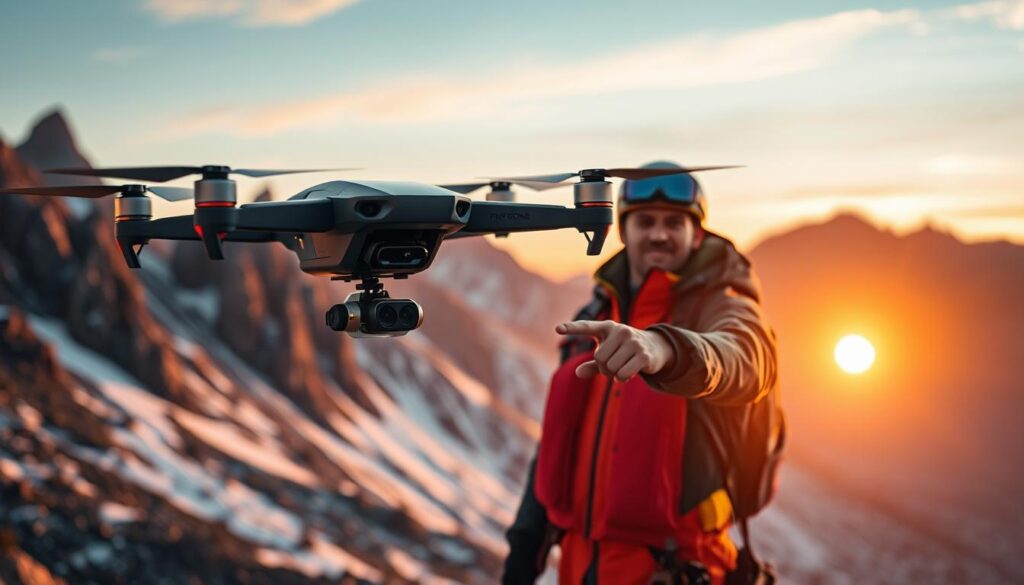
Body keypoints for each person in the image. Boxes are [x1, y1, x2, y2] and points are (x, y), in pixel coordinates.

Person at [502, 161, 780, 584]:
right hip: (579, 569)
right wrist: (523, 553)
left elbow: (748, 357)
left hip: (678, 571)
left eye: (674, 223)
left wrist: (665, 348)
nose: (659, 234)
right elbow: (557, 444)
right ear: (623, 230)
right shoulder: (594, 316)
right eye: (645, 221)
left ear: (696, 234)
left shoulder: (721, 303)